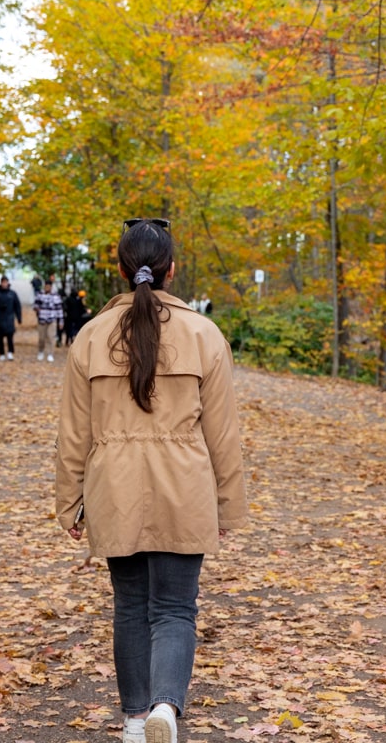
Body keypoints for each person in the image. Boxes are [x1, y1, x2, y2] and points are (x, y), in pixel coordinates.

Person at [54, 218, 246, 743]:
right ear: (172, 270)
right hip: (184, 485)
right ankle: (166, 706)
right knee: (176, 608)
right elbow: (223, 434)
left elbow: (73, 433)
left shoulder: (91, 337)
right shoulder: (205, 335)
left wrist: (68, 502)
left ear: (119, 268)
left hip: (113, 486)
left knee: (131, 605)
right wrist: (228, 507)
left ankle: (137, 720)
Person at [32, 280, 64, 363]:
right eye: (46, 286)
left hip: (52, 319)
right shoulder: (40, 294)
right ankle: (41, 351)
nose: (47, 288)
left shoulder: (56, 296)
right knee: (41, 338)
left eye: (48, 287)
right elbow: (35, 304)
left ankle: (50, 353)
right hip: (42, 319)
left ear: (51, 287)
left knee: (51, 337)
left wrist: (61, 321)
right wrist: (36, 308)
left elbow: (59, 309)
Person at [0, 277, 23, 360]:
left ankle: (10, 352)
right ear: (1, 283)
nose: (4, 284)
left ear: (8, 283)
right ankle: (1, 353)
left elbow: (17, 306)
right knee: (0, 337)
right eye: (3, 282)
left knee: (10, 336)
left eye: (5, 282)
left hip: (9, 317)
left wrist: (19, 317)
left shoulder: (12, 294)